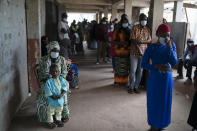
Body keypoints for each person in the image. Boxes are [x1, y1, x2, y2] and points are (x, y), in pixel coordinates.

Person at [141, 24, 177, 131]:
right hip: (155, 80)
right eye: (163, 35)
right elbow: (143, 64)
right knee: (154, 102)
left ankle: (161, 125)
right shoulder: (151, 48)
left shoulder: (171, 45)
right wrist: (155, 66)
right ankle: (153, 126)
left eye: (168, 36)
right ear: (157, 34)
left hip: (167, 80)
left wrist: (170, 48)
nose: (166, 38)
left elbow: (174, 62)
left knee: (165, 102)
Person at [36, 41, 70, 123]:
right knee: (44, 91)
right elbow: (40, 74)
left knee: (63, 90)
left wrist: (58, 78)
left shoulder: (61, 59)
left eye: (57, 51)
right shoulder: (43, 60)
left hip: (59, 80)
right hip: (47, 81)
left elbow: (64, 72)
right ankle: (46, 116)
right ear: (49, 50)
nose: (56, 52)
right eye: (54, 50)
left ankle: (63, 114)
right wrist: (49, 79)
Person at [128, 13, 151, 94]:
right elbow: (132, 40)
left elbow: (149, 40)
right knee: (132, 70)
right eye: (142, 19)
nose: (144, 21)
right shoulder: (134, 28)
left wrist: (142, 42)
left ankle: (136, 87)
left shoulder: (147, 29)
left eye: (145, 19)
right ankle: (131, 86)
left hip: (143, 53)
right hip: (134, 52)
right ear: (139, 19)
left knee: (140, 71)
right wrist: (138, 46)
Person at [45, 64, 69, 128]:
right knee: (50, 111)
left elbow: (64, 87)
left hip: (59, 99)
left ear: (59, 72)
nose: (55, 73)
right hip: (51, 99)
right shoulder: (48, 81)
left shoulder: (61, 79)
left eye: (56, 71)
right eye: (53, 72)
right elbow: (47, 90)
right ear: (50, 72)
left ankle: (58, 120)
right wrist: (52, 96)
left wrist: (61, 94)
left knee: (59, 110)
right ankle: (50, 122)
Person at [113, 15, 130, 86]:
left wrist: (128, 43)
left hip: (127, 52)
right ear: (121, 22)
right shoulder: (117, 30)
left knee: (125, 67)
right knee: (118, 67)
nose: (125, 23)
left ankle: (125, 81)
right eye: (124, 22)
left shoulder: (130, 30)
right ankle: (117, 81)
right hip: (118, 52)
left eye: (126, 22)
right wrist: (122, 43)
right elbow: (114, 41)